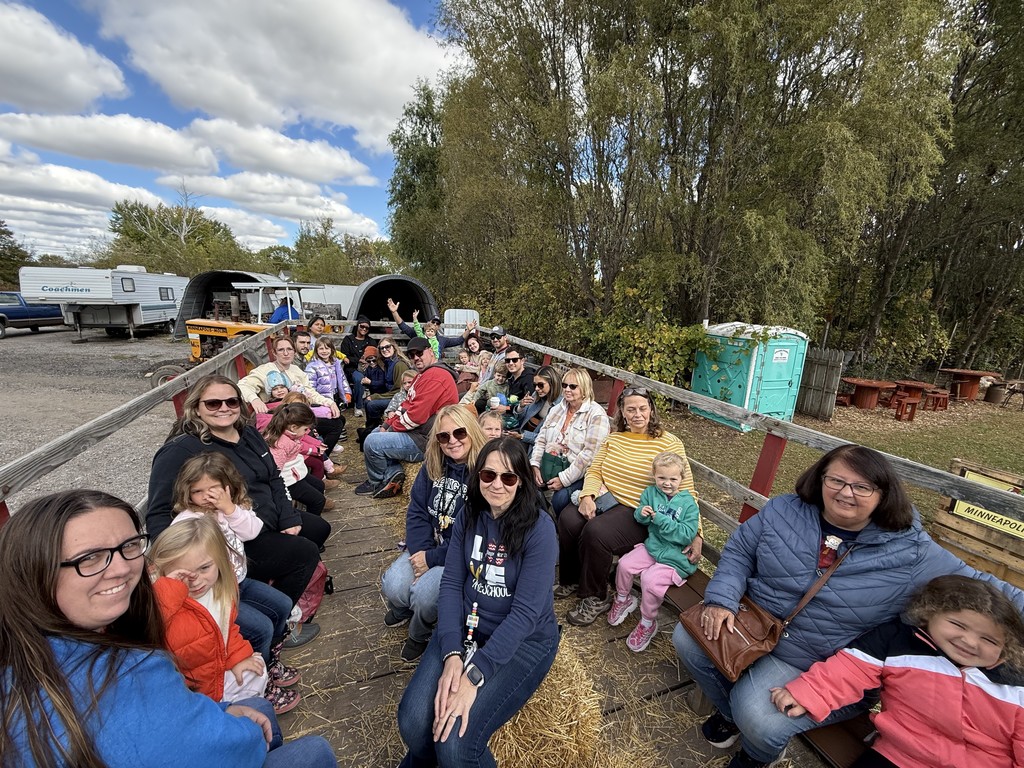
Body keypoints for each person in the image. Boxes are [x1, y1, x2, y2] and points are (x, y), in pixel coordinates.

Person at [674, 444, 1024, 768]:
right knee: (688, 638)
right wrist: (721, 600)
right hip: (754, 624)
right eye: (836, 480)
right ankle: (732, 714)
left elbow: (992, 588)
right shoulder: (784, 510)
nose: (845, 492)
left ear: (883, 495)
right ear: (820, 478)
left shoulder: (912, 550)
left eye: (862, 487)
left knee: (760, 718)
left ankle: (758, 752)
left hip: (823, 662)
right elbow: (739, 551)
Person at [0, 489, 335, 768]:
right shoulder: (129, 670)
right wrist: (243, 732)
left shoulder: (30, 647)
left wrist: (223, 708)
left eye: (129, 546)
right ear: (32, 569)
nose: (120, 569)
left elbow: (224, 631)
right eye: (89, 557)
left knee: (258, 706)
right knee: (315, 749)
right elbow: (233, 749)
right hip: (205, 720)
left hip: (200, 703)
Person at [396, 438, 560, 767]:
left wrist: (475, 675)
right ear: (478, 477)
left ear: (523, 482)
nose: (497, 484)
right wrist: (453, 654)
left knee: (456, 745)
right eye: (488, 475)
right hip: (468, 630)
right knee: (413, 725)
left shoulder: (539, 530)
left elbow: (525, 614)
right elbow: (453, 584)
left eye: (508, 477)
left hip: (523, 642)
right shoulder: (470, 514)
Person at [770, 575, 1024, 768]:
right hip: (899, 754)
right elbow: (854, 666)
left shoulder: (1015, 685)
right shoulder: (901, 642)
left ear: (1007, 647)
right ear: (929, 615)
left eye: (989, 640)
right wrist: (811, 692)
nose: (969, 642)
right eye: (958, 624)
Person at [148, 375, 328, 640]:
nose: (224, 408)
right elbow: (159, 513)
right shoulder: (182, 449)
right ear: (196, 407)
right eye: (213, 403)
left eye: (232, 401)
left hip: (260, 517)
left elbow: (273, 477)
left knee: (319, 528)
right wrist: (180, 560)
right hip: (229, 536)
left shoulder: (248, 433)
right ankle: (280, 622)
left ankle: (277, 596)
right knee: (304, 552)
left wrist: (288, 516)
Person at [558, 386, 701, 627]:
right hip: (607, 499)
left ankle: (595, 596)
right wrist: (587, 496)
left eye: (643, 408)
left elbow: (687, 489)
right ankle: (572, 579)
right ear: (622, 413)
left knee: (596, 533)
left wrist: (697, 534)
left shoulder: (669, 442)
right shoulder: (613, 439)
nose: (637, 414)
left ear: (651, 410)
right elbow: (595, 470)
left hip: (641, 511)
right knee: (568, 519)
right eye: (630, 409)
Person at [169, 452, 300, 706]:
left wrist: (228, 508)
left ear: (229, 487)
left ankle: (270, 662)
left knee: (283, 604)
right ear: (187, 493)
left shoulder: (230, 510)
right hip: (213, 594)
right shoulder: (188, 521)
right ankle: (256, 682)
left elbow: (252, 531)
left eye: (215, 489)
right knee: (261, 628)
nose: (207, 497)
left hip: (237, 582)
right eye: (198, 491)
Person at [382, 406, 486, 663]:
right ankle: (403, 609)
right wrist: (421, 553)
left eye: (459, 433)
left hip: (457, 554)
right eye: (443, 436)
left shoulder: (484, 473)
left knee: (424, 597)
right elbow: (417, 512)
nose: (452, 441)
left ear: (471, 432)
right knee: (393, 586)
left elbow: (476, 534)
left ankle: (420, 633)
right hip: (429, 545)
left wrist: (432, 559)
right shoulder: (433, 465)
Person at [148, 517, 273, 707]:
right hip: (186, 694)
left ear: (220, 561)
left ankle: (239, 713)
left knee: (256, 668)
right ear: (163, 571)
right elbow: (145, 629)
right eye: (183, 574)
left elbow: (225, 630)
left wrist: (236, 657)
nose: (196, 580)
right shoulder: (159, 600)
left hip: (213, 677)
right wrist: (169, 591)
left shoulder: (220, 589)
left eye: (205, 568)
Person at [607, 452, 700, 652]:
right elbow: (641, 516)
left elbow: (686, 535)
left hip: (676, 558)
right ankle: (623, 599)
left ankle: (648, 623)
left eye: (673, 479)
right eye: (662, 478)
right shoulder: (650, 493)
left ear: (681, 479)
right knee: (625, 564)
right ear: (655, 476)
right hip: (654, 547)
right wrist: (640, 514)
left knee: (649, 580)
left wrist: (660, 520)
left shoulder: (688, 504)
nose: (667, 483)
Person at [355, 337, 459, 500]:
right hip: (418, 432)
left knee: (371, 442)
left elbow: (415, 416)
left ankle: (377, 481)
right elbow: (405, 404)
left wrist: (390, 428)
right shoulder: (422, 375)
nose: (416, 357)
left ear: (430, 351)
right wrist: (387, 424)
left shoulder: (435, 376)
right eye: (412, 355)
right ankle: (393, 474)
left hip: (428, 440)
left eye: (419, 353)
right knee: (376, 431)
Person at [238, 336, 345, 455]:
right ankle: (320, 456)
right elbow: (242, 385)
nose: (286, 353)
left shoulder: (296, 370)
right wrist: (255, 399)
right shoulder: (265, 370)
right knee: (335, 425)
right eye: (281, 350)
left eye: (289, 349)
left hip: (297, 410)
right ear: (274, 353)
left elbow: (309, 392)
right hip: (279, 417)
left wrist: (330, 402)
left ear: (294, 351)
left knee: (339, 417)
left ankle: (320, 453)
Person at [530, 368, 611, 515]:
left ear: (584, 388)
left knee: (559, 499)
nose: (567, 389)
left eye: (573, 386)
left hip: (577, 472)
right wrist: (535, 465)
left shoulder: (596, 415)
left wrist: (564, 479)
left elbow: (589, 455)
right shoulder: (557, 410)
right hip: (549, 464)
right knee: (526, 483)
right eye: (564, 385)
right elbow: (541, 439)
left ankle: (554, 527)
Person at [262, 403, 334, 516]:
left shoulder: (289, 434)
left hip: (295, 473)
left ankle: (313, 508)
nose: (307, 431)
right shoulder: (281, 444)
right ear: (293, 427)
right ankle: (313, 521)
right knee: (318, 501)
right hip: (287, 481)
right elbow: (275, 469)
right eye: (305, 429)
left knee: (319, 485)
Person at [388, 298, 471, 355]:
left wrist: (468, 330)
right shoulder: (419, 336)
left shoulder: (442, 340)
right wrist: (394, 312)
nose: (435, 324)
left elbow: (459, 340)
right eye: (433, 322)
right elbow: (403, 326)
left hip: (436, 366)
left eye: (437, 323)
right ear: (428, 323)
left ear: (438, 327)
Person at [510, 364, 561, 445]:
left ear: (552, 383)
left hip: (537, 443)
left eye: (541, 385)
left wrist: (522, 436)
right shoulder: (536, 395)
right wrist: (521, 406)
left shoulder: (560, 405)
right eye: (535, 385)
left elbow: (547, 439)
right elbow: (520, 420)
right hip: (524, 434)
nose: (537, 388)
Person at [476, 345, 532, 414]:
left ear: (522, 361)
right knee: (479, 403)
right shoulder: (510, 374)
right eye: (507, 360)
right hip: (501, 404)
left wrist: (506, 409)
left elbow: (527, 405)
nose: (511, 363)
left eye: (514, 360)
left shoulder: (528, 379)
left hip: (514, 415)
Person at [340, 315, 374, 416]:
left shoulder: (371, 341)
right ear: (357, 326)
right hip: (352, 368)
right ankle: (358, 406)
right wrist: (358, 360)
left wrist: (368, 361)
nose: (364, 329)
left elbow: (375, 354)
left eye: (367, 328)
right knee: (359, 378)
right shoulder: (348, 340)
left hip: (368, 367)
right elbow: (344, 356)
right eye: (362, 326)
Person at [306, 335, 353, 406]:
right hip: (322, 398)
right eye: (321, 349)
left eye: (327, 348)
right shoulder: (313, 366)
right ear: (316, 350)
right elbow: (310, 385)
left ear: (332, 350)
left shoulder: (336, 363)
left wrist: (347, 392)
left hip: (335, 395)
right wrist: (313, 400)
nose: (324, 351)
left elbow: (342, 379)